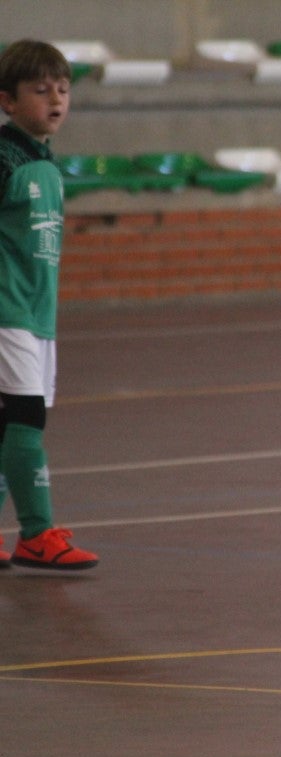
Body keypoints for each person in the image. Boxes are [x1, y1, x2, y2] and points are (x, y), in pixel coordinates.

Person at [0, 40, 98, 570]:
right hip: (6, 310)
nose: (55, 99)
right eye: (40, 90)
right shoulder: (3, 158)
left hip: (37, 314)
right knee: (25, 415)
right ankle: (37, 533)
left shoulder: (46, 164)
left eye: (62, 89)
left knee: (11, 421)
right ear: (7, 101)